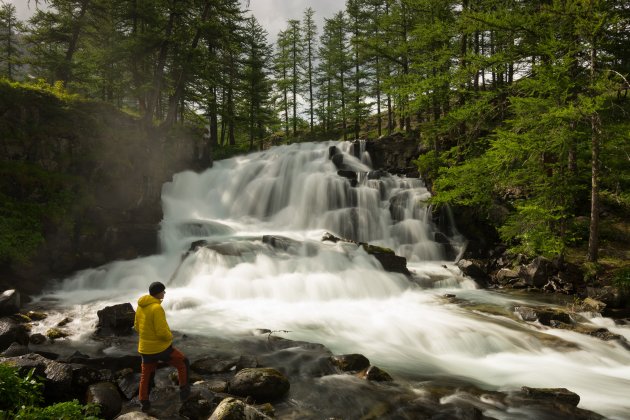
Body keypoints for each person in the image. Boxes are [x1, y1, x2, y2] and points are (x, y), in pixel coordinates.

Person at [134, 281, 190, 412]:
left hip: (144, 349)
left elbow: (136, 326)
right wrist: (170, 337)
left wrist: (147, 336)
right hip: (161, 349)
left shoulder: (140, 306)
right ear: (158, 293)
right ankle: (185, 393)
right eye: (163, 291)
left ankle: (144, 402)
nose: (164, 293)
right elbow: (162, 332)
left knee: (146, 375)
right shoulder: (156, 308)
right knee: (183, 362)